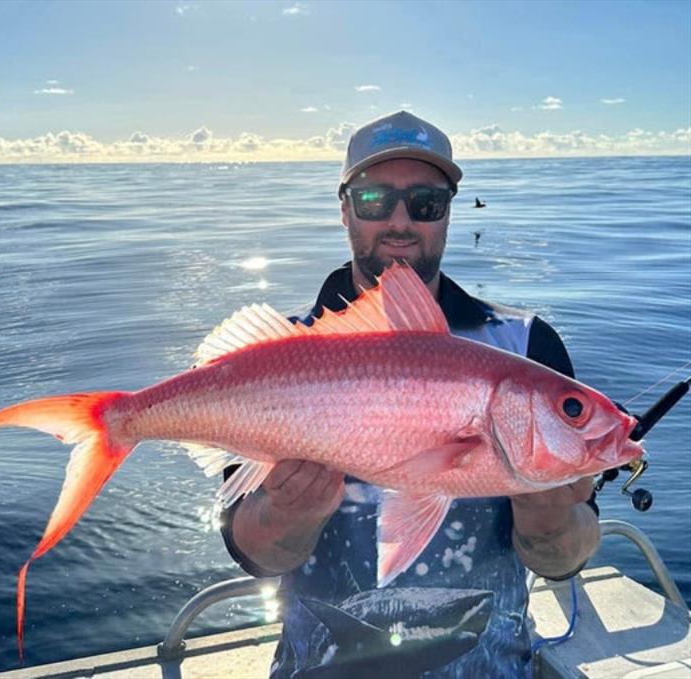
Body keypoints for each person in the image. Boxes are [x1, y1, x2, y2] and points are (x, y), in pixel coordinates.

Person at [220, 110, 600, 678]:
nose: (400, 221)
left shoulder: (524, 347)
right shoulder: (281, 354)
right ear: (344, 206)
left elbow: (564, 561)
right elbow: (256, 554)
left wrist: (548, 519)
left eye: (425, 203)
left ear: (448, 212)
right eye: (375, 200)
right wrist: (288, 515)